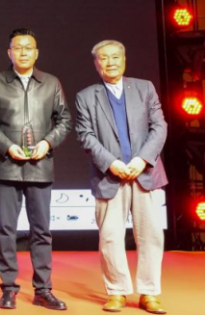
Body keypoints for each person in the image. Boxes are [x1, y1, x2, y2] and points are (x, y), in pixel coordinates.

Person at [0, 28, 72, 310]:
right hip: (6, 166)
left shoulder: (51, 83)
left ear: (36, 52)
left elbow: (64, 120)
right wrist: (7, 146)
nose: (23, 52)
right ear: (9, 52)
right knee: (6, 230)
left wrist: (47, 143)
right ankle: (8, 288)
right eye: (17, 48)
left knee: (41, 230)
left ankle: (43, 289)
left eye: (28, 47)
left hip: (40, 166)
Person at [74, 40, 168, 314]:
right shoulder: (86, 96)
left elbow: (159, 126)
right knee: (110, 237)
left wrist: (142, 159)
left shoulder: (144, 88)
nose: (110, 62)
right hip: (109, 177)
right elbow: (85, 135)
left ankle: (149, 293)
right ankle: (116, 291)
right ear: (96, 64)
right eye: (104, 58)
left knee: (150, 236)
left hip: (145, 174)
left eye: (115, 57)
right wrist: (112, 163)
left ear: (124, 60)